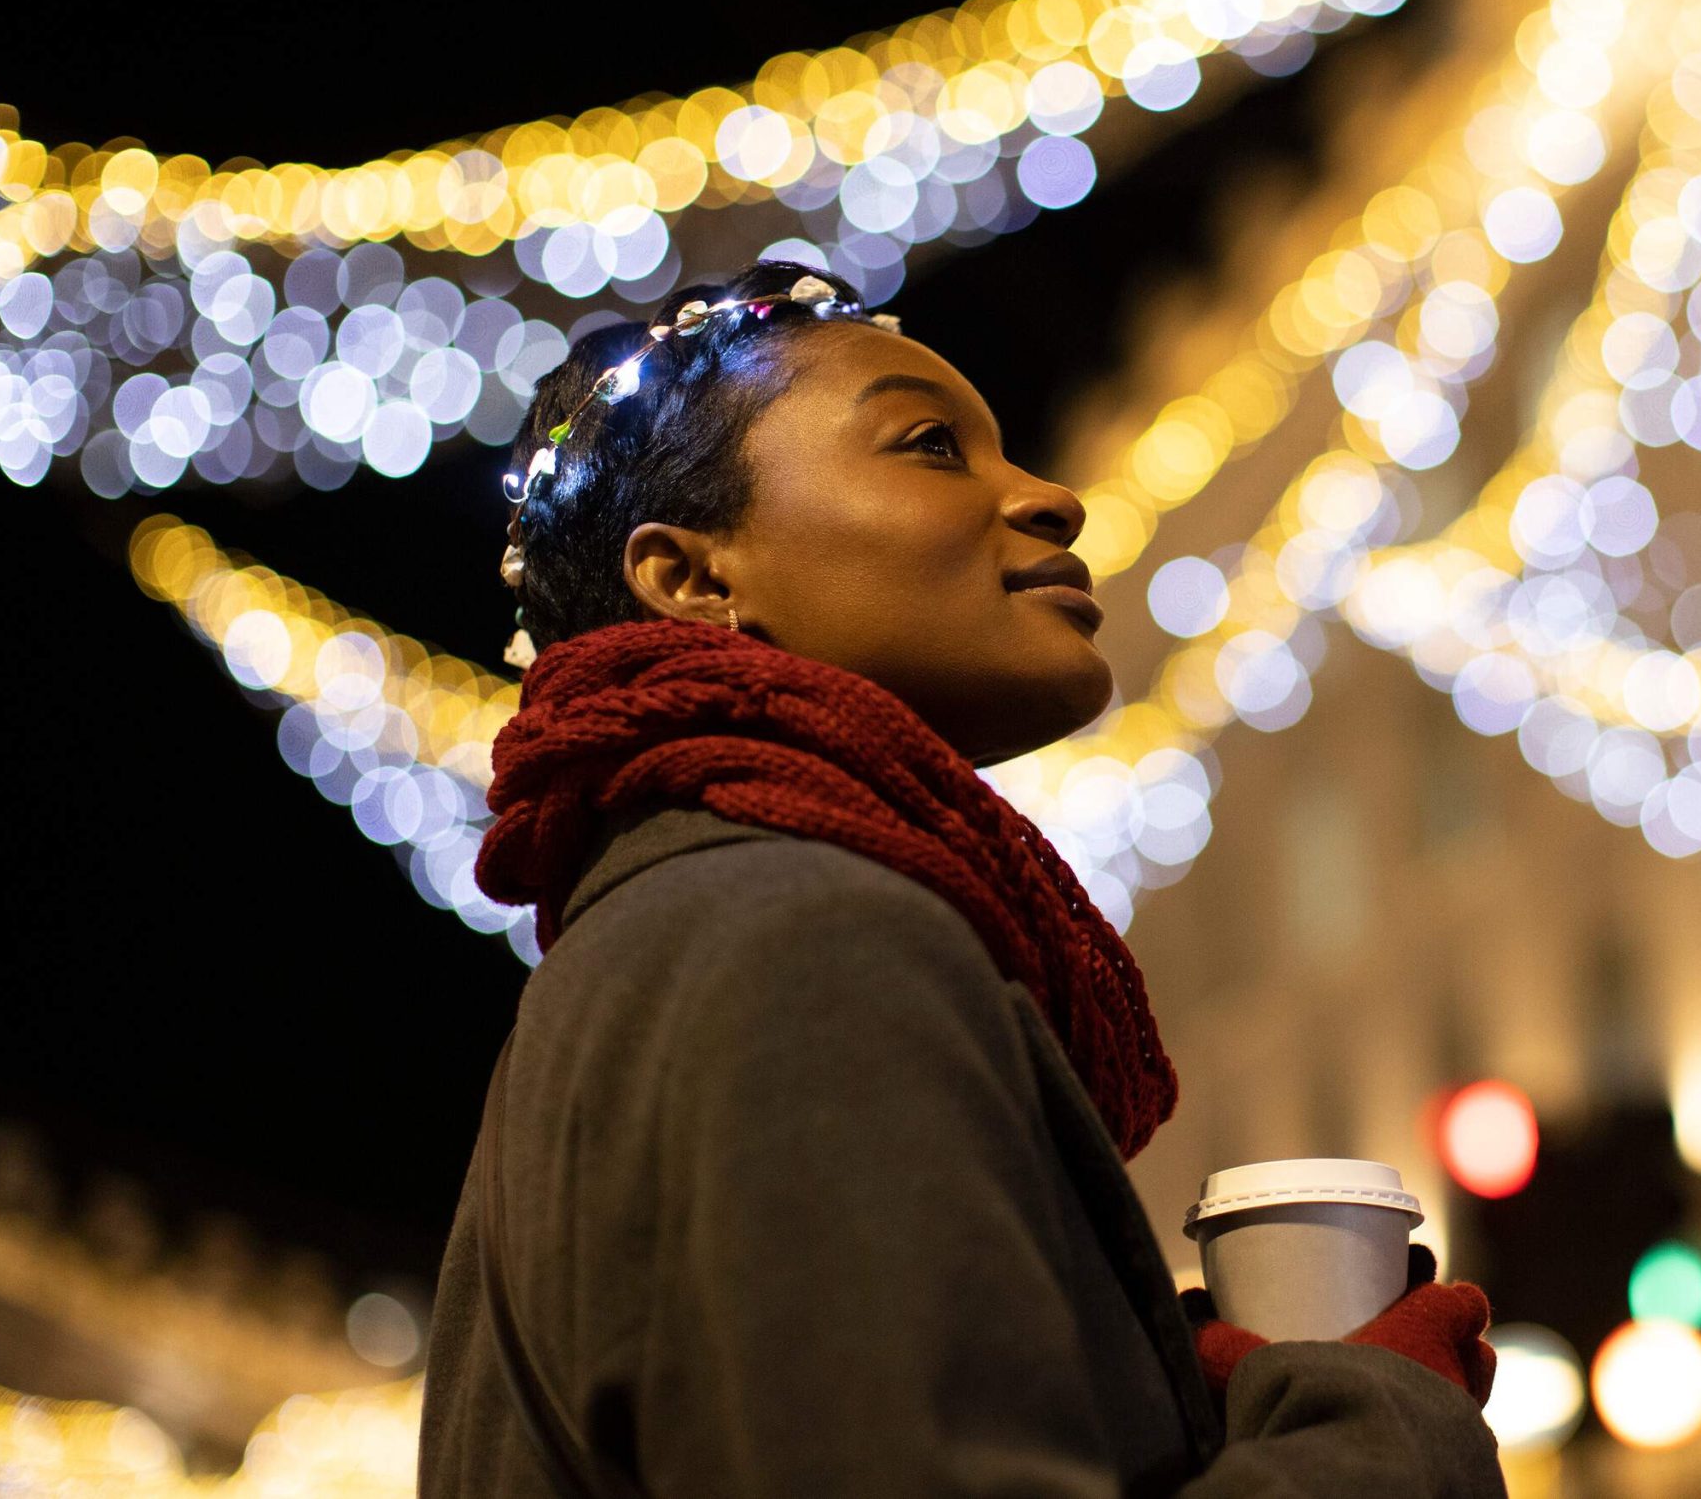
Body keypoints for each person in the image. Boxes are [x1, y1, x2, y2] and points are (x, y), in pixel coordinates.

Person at [417, 258, 1508, 1498]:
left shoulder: (681, 931)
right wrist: (1389, 1420)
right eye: (932, 447)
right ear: (694, 578)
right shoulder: (800, 943)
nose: (1052, 499)